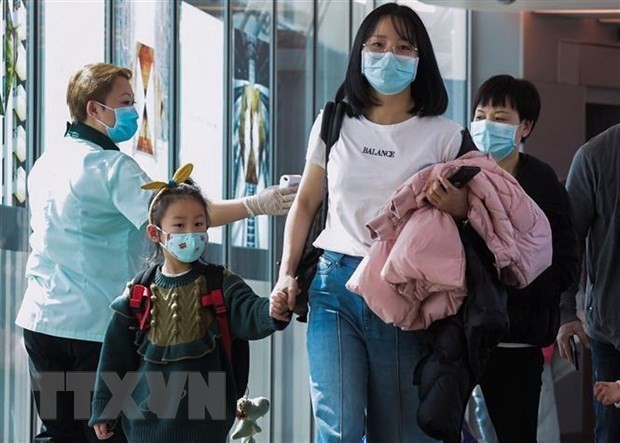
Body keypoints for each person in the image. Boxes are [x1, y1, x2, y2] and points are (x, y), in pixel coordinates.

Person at [15, 63, 295, 443]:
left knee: (58, 431)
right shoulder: (112, 167)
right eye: (125, 101)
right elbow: (179, 215)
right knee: (103, 432)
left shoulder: (46, 162)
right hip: (92, 327)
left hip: (40, 323)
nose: (134, 110)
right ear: (94, 109)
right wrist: (256, 204)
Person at [270, 3, 474, 441]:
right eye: (377, 45)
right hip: (333, 285)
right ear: (360, 53)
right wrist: (286, 275)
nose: (389, 56)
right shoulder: (334, 122)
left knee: (397, 430)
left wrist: (455, 204)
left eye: (403, 47)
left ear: (421, 60)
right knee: (336, 426)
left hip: (402, 289)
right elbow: (306, 203)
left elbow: (473, 214)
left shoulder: (445, 134)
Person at [88, 165, 289, 442]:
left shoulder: (221, 283)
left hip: (206, 427)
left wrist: (273, 310)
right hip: (145, 427)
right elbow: (115, 355)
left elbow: (251, 312)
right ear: (155, 233)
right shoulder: (138, 292)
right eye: (179, 225)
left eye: (198, 224)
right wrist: (103, 408)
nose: (191, 233)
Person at [469, 75, 579, 443]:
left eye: (500, 117)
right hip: (463, 339)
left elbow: (564, 261)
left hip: (517, 342)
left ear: (525, 126)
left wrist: (518, 281)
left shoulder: (541, 181)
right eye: (481, 115)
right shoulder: (461, 174)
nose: (487, 125)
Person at [558, 122, 620, 443]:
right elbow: (569, 242)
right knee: (611, 432)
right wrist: (567, 312)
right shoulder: (596, 155)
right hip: (611, 330)